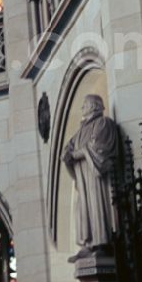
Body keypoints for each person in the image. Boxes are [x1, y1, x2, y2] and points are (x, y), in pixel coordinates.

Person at [62, 93, 119, 256]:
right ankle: (88, 244)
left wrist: (76, 154)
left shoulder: (103, 123)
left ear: (94, 106)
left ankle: (101, 243)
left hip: (95, 176)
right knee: (84, 207)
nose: (82, 108)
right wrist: (67, 155)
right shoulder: (82, 130)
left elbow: (97, 147)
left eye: (85, 105)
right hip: (82, 176)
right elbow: (69, 147)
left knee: (97, 204)